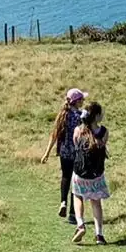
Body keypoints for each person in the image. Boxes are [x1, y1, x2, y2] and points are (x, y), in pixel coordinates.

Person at [40, 88, 87, 222]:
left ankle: (63, 202)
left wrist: (47, 153)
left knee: (65, 177)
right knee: (76, 181)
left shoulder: (63, 115)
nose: (83, 101)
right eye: (82, 99)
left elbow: (54, 135)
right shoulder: (81, 116)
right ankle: (73, 214)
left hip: (64, 152)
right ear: (77, 102)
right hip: (78, 153)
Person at [69, 101, 110, 245]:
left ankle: (80, 224)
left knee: (77, 196)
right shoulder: (104, 132)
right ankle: (99, 235)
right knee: (96, 202)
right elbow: (102, 145)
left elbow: (76, 146)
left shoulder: (78, 131)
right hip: (96, 174)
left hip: (80, 172)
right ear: (97, 116)